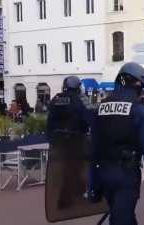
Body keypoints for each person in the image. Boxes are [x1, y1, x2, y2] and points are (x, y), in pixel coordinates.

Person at [90, 62, 144, 225]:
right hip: (126, 175)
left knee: (121, 215)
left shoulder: (100, 108)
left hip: (104, 173)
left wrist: (93, 182)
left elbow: (93, 148)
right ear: (140, 86)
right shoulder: (140, 112)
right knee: (121, 218)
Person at [47, 76, 93, 209]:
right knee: (75, 169)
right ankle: (66, 199)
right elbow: (88, 120)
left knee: (62, 169)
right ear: (78, 87)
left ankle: (71, 195)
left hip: (58, 143)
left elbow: (50, 123)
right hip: (76, 141)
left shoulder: (55, 100)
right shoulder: (79, 100)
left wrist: (52, 139)